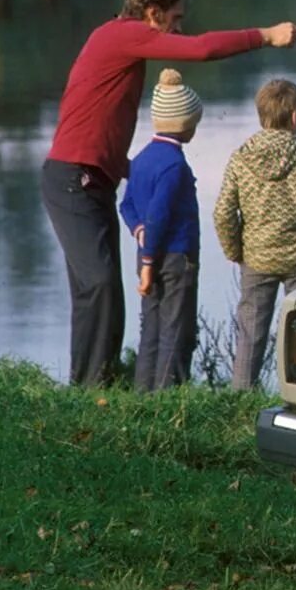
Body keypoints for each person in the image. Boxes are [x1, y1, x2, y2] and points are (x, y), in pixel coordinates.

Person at [41, 0, 296, 386]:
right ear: (152, 13)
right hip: (73, 180)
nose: (178, 29)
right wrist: (267, 35)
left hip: (92, 179)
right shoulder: (124, 35)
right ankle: (90, 387)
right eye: (175, 18)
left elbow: (97, 125)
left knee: (101, 288)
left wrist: (131, 169)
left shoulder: (117, 40)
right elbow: (202, 49)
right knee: (99, 284)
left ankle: (98, 381)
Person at [214, 77, 296, 390]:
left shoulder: (240, 157)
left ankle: (240, 395)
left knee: (251, 331)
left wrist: (235, 250)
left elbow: (223, 213)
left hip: (256, 256)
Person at [118, 70, 204, 391]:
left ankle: (143, 393)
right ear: (185, 124)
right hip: (174, 257)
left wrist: (139, 234)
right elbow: (159, 214)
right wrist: (149, 261)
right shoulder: (174, 166)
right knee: (175, 330)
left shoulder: (141, 159)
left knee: (151, 330)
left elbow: (126, 205)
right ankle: (169, 398)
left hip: (147, 253)